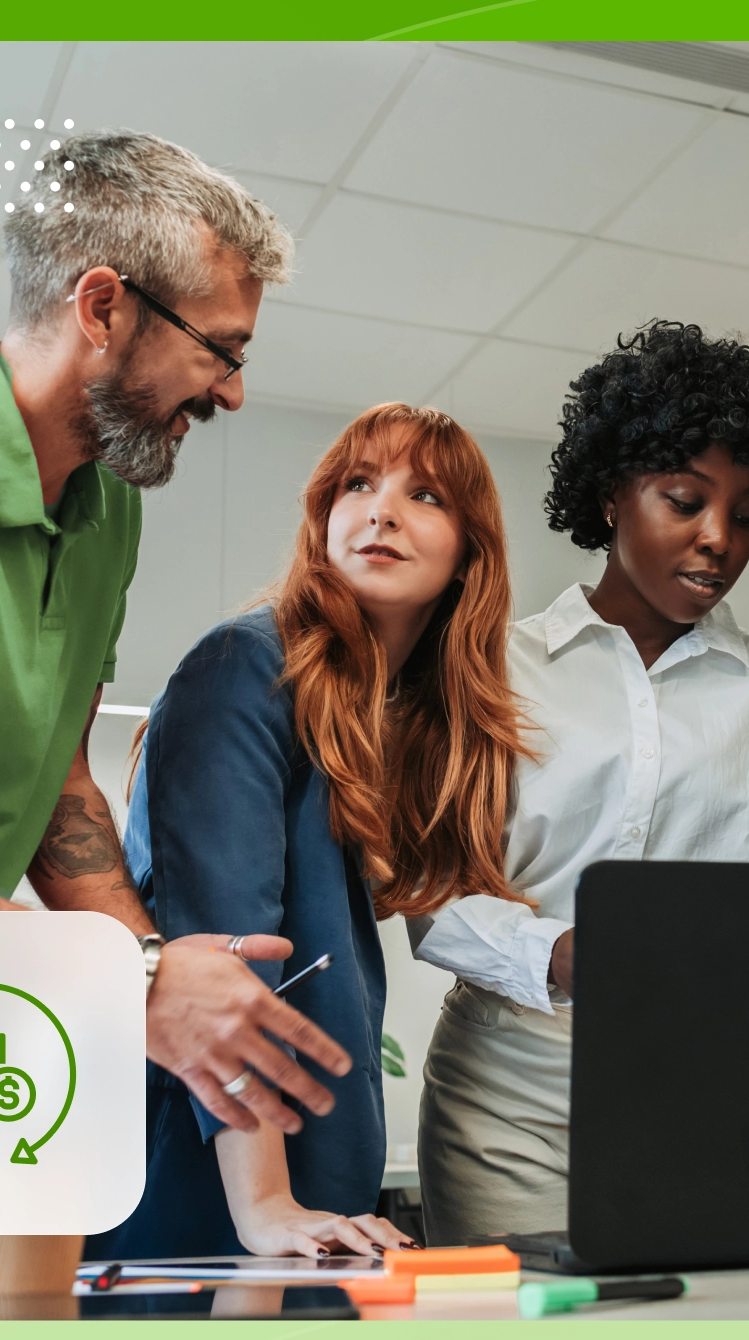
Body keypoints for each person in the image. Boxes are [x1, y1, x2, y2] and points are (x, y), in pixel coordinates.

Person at [0, 130, 355, 1306]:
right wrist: (124, 979)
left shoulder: (105, 510)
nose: (235, 391)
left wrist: (143, 963)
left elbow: (61, 787)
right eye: (221, 349)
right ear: (102, 305)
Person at [410, 321, 749, 1246]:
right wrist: (558, 955)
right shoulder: (491, 666)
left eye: (747, 512)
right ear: (611, 494)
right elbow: (431, 894)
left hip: (707, 1091)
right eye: (683, 500)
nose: (718, 539)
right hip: (507, 1096)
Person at [88, 405, 531, 1261]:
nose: (381, 512)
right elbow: (223, 947)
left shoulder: (392, 720)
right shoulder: (248, 665)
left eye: (425, 495)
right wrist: (265, 1204)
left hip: (311, 1183)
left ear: (470, 549)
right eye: (357, 485)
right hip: (208, 1188)